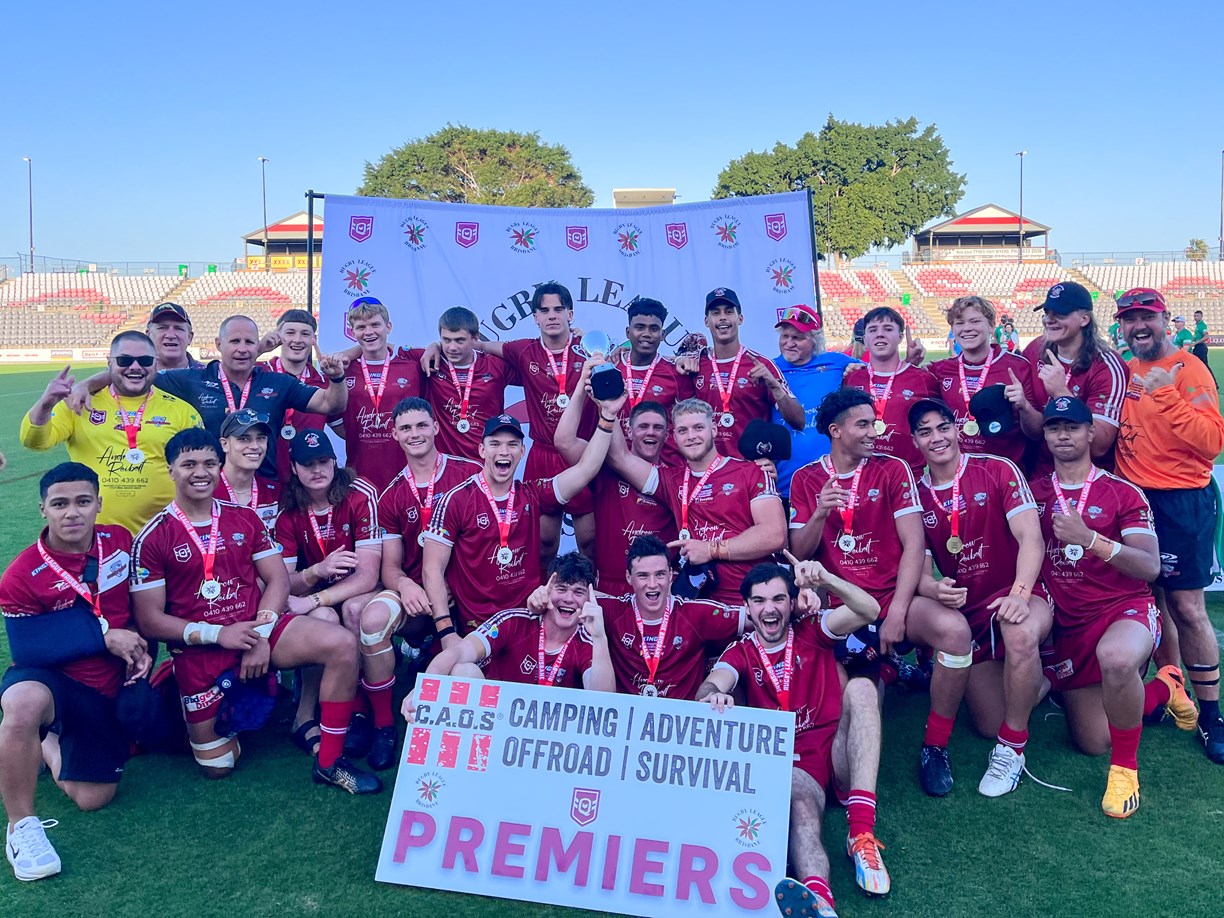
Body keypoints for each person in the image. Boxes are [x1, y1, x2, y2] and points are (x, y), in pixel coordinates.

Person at [130, 428, 380, 793]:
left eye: (209, 464)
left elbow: (278, 581)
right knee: (220, 765)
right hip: (203, 648)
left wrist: (261, 634)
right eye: (189, 464)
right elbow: (150, 620)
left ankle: (329, 762)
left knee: (341, 644)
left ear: (219, 466)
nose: (200, 472)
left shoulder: (243, 519)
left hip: (259, 631)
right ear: (170, 469)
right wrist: (219, 634)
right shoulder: (153, 536)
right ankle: (185, 698)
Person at [1033, 396, 1197, 816]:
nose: (1063, 435)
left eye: (1072, 426)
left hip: (1123, 609)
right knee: (1092, 740)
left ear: (1091, 433)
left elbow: (1149, 566)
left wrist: (1090, 539)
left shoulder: (1122, 491)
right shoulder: (1033, 490)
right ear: (1045, 435)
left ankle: (1125, 770)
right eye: (1054, 427)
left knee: (1118, 659)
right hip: (1068, 624)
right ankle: (1165, 686)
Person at [697, 561, 882, 913]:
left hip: (836, 755)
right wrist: (712, 696)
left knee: (861, 689)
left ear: (793, 602)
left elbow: (869, 609)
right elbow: (712, 683)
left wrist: (825, 578)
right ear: (748, 607)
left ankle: (860, 834)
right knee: (800, 805)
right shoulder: (741, 652)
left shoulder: (814, 630)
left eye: (779, 599)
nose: (770, 608)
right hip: (791, 768)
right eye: (760, 600)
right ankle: (821, 902)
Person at [0, 463, 152, 881]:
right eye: (60, 504)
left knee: (93, 798)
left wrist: (142, 648)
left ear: (99, 504)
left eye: (83, 502)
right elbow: (28, 648)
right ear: (42, 510)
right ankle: (21, 827)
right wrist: (103, 638)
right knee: (21, 703)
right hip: (54, 680)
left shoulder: (119, 541)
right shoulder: (19, 575)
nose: (72, 513)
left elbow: (135, 609)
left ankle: (47, 744)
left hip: (107, 690)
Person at [908, 398, 1052, 798]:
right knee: (988, 721)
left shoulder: (996, 469)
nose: (936, 438)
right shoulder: (916, 493)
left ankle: (1012, 751)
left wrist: (1021, 594)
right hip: (970, 612)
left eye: (942, 427)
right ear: (915, 442)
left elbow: (1031, 537)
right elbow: (917, 568)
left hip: (1022, 593)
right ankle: (1048, 677)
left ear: (957, 429)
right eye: (925, 431)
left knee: (1019, 631)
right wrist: (933, 588)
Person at [1113, 287, 1224, 763]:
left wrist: (1165, 393)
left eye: (1147, 317)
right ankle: (1171, 688)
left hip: (1181, 501)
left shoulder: (1188, 369)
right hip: (1134, 499)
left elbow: (1211, 442)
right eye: (1130, 318)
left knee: (1187, 606)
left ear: (1164, 320)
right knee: (1150, 598)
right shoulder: (1122, 370)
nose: (1139, 326)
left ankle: (1213, 715)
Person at [423, 386, 624, 644]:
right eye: (495, 444)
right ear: (482, 451)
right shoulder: (456, 499)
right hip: (474, 626)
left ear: (522, 451)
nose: (503, 452)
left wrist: (607, 417)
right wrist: (446, 632)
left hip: (528, 617)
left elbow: (585, 469)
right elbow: (432, 569)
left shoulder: (533, 493)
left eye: (512, 445)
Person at [75, 315, 349, 481]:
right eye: (234, 342)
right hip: (209, 490)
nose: (242, 349)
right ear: (219, 345)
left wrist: (336, 379)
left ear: (259, 347)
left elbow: (330, 403)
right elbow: (137, 374)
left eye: (249, 343)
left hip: (265, 487)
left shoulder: (278, 383)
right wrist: (87, 384)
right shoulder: (191, 379)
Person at [363, 397, 481, 766]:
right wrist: (407, 585)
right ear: (394, 435)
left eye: (420, 425)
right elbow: (391, 568)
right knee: (371, 620)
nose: (415, 434)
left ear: (435, 427)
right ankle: (384, 726)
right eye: (406, 428)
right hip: (421, 599)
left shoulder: (470, 473)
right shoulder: (392, 496)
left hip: (467, 593)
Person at [607, 398, 787, 606]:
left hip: (750, 601)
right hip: (698, 603)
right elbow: (619, 457)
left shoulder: (751, 472)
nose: (691, 436)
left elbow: (775, 535)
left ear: (714, 429)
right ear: (674, 437)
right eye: (683, 431)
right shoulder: (671, 480)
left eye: (698, 428)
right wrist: (608, 410)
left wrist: (710, 550)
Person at [274, 429, 383, 766]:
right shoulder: (288, 509)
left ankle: (365, 710)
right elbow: (284, 584)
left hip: (359, 590)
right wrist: (316, 572)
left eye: (324, 461)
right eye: (307, 464)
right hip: (315, 593)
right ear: (293, 468)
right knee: (325, 621)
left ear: (335, 461)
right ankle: (320, 709)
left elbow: (368, 576)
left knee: (352, 611)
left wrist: (314, 599)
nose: (317, 470)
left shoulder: (360, 494)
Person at [20, 331, 202, 533]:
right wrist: (45, 404)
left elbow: (201, 469)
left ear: (156, 363)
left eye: (145, 360)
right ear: (109, 362)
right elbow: (34, 442)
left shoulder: (182, 411)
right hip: (96, 536)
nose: (135, 367)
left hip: (165, 535)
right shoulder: (79, 403)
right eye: (125, 360)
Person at [473, 283, 598, 563]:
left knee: (590, 544)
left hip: (581, 453)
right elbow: (477, 345)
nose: (551, 316)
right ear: (535, 317)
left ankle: (594, 598)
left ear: (571, 314)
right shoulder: (523, 351)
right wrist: (434, 346)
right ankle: (542, 600)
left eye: (558, 309)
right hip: (542, 454)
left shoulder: (590, 348)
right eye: (544, 310)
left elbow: (628, 351)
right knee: (542, 544)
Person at [403, 553, 614, 702]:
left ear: (590, 598)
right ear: (547, 590)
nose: (569, 599)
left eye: (578, 592)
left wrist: (600, 637)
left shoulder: (589, 641)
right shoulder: (514, 621)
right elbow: (458, 652)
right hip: (499, 723)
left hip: (553, 738)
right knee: (463, 671)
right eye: (561, 589)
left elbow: (603, 702)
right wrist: (424, 689)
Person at [556, 361, 677, 593]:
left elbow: (621, 455)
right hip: (612, 586)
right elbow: (564, 441)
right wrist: (582, 384)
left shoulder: (676, 475)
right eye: (642, 427)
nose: (650, 432)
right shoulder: (605, 466)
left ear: (666, 434)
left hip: (658, 587)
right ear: (629, 431)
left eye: (657, 427)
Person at [586, 535, 744, 698]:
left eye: (660, 574)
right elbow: (566, 600)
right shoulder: (611, 611)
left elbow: (758, 617)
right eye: (643, 576)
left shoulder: (695, 614)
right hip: (629, 720)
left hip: (680, 720)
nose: (653, 584)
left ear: (670, 575)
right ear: (629, 577)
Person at [675, 287, 804, 456]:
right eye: (716, 313)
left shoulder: (761, 365)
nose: (722, 318)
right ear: (706, 321)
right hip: (708, 470)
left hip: (750, 470)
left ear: (740, 318)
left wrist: (775, 387)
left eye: (729, 312)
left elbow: (799, 421)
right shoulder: (696, 363)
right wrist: (678, 359)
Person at [1021, 281, 1129, 475]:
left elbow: (1100, 445)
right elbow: (1035, 432)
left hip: (1089, 479)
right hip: (1042, 473)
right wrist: (1024, 407)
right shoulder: (1034, 351)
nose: (1049, 320)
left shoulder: (1108, 366)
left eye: (1060, 314)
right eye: (1047, 313)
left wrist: (1062, 393)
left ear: (1084, 319)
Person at [929, 295, 1041, 468]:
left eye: (974, 321)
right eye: (959, 323)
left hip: (1005, 473)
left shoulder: (1018, 367)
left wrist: (1024, 406)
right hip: (959, 473)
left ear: (991, 326)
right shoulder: (940, 370)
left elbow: (1037, 432)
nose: (967, 328)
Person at [330, 297, 424, 493]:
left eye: (375, 325)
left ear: (388, 327)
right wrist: (358, 433)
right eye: (361, 327)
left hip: (407, 470)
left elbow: (440, 351)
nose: (369, 332)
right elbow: (332, 411)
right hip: (360, 473)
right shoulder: (343, 368)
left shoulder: (412, 365)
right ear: (352, 331)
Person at [771, 304, 859, 505]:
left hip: (834, 480)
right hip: (786, 484)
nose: (789, 343)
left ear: (815, 340)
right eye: (785, 336)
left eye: (798, 337)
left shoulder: (837, 363)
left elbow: (879, 376)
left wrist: (856, 369)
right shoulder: (770, 369)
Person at [415, 306, 521, 461]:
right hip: (445, 464)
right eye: (446, 340)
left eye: (459, 340)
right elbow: (388, 352)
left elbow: (535, 368)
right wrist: (434, 345)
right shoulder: (431, 361)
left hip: (487, 463)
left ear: (475, 337)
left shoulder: (495, 365)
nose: (452, 347)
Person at [843, 306, 939, 476]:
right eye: (873, 330)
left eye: (888, 329)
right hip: (861, 475)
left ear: (901, 336)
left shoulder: (923, 379)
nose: (880, 334)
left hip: (909, 475)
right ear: (865, 339)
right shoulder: (852, 377)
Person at [605, 297, 690, 466]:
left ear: (662, 334)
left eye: (653, 329)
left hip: (660, 467)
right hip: (613, 465)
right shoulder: (610, 367)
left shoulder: (677, 372)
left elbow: (687, 423)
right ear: (628, 332)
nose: (646, 334)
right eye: (639, 327)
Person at [258, 308, 331, 484]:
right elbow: (222, 373)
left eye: (305, 334)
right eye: (290, 333)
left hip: (306, 482)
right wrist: (260, 348)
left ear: (314, 340)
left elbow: (346, 430)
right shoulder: (259, 373)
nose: (297, 340)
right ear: (278, 336)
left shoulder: (325, 383)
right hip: (262, 478)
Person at [215, 410, 281, 530]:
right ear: (225, 444)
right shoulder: (206, 492)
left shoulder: (276, 493)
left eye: (261, 438)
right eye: (244, 439)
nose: (255, 446)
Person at [146, 302, 203, 370]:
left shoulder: (210, 376)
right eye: (162, 328)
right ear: (148, 336)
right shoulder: (137, 376)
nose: (171, 335)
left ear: (189, 337)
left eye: (178, 328)